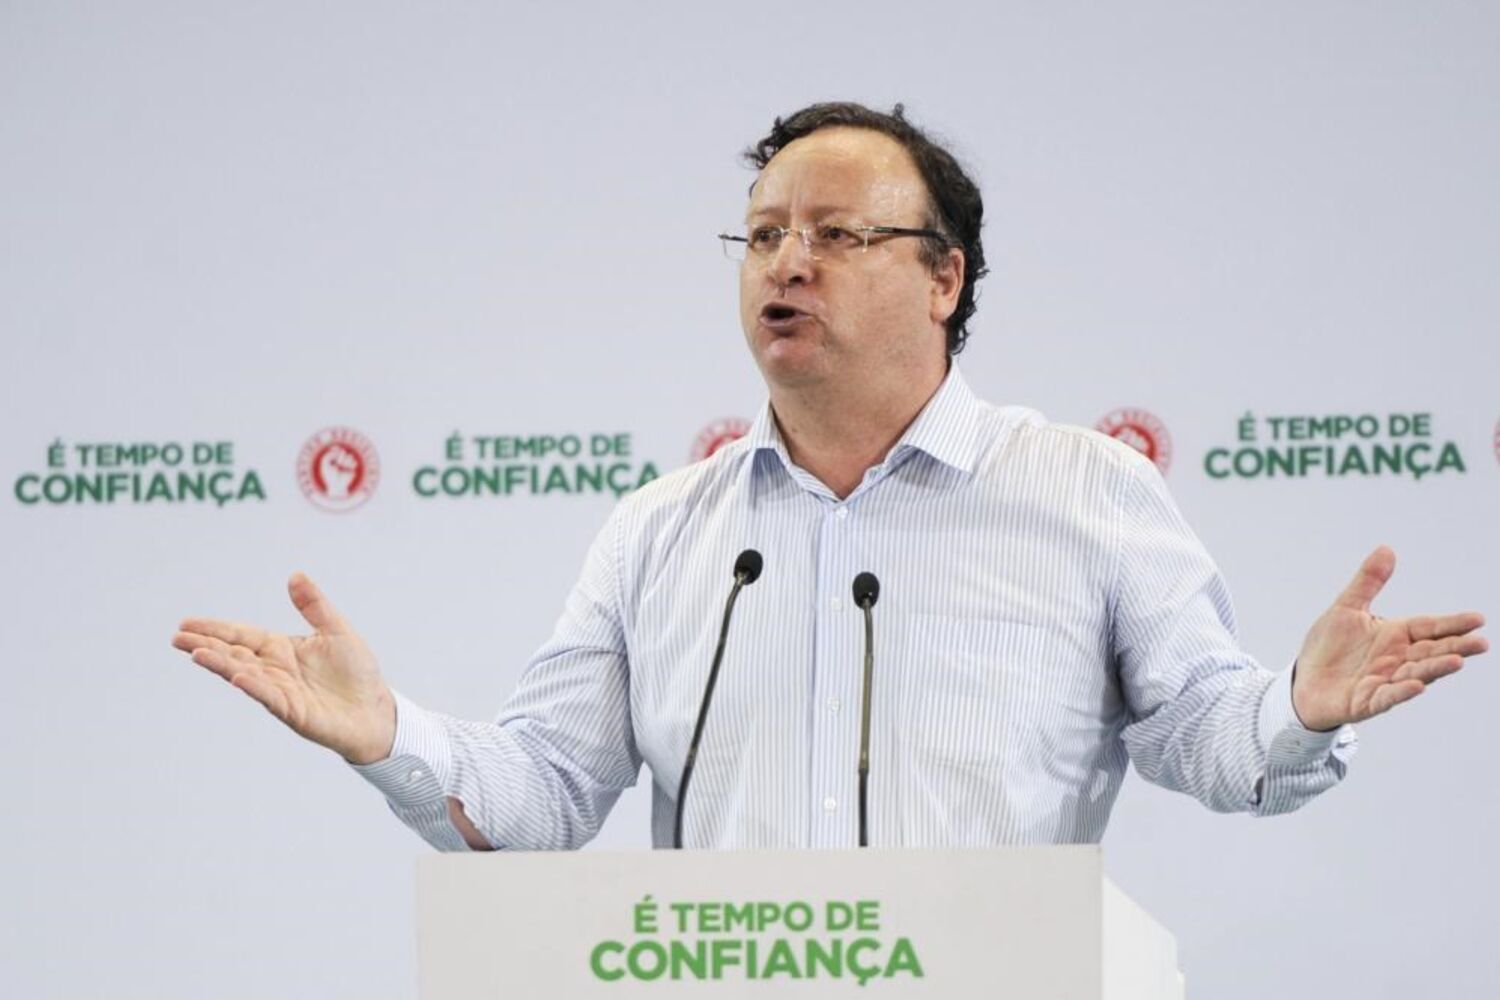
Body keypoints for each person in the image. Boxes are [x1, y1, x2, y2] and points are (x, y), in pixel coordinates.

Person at [173, 102, 1487, 851]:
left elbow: (1202, 731)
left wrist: (1297, 710)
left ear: (943, 277)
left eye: (837, 235)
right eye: (761, 237)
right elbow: (548, 792)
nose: (786, 263)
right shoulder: (661, 532)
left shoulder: (1085, 490)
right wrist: (391, 734)